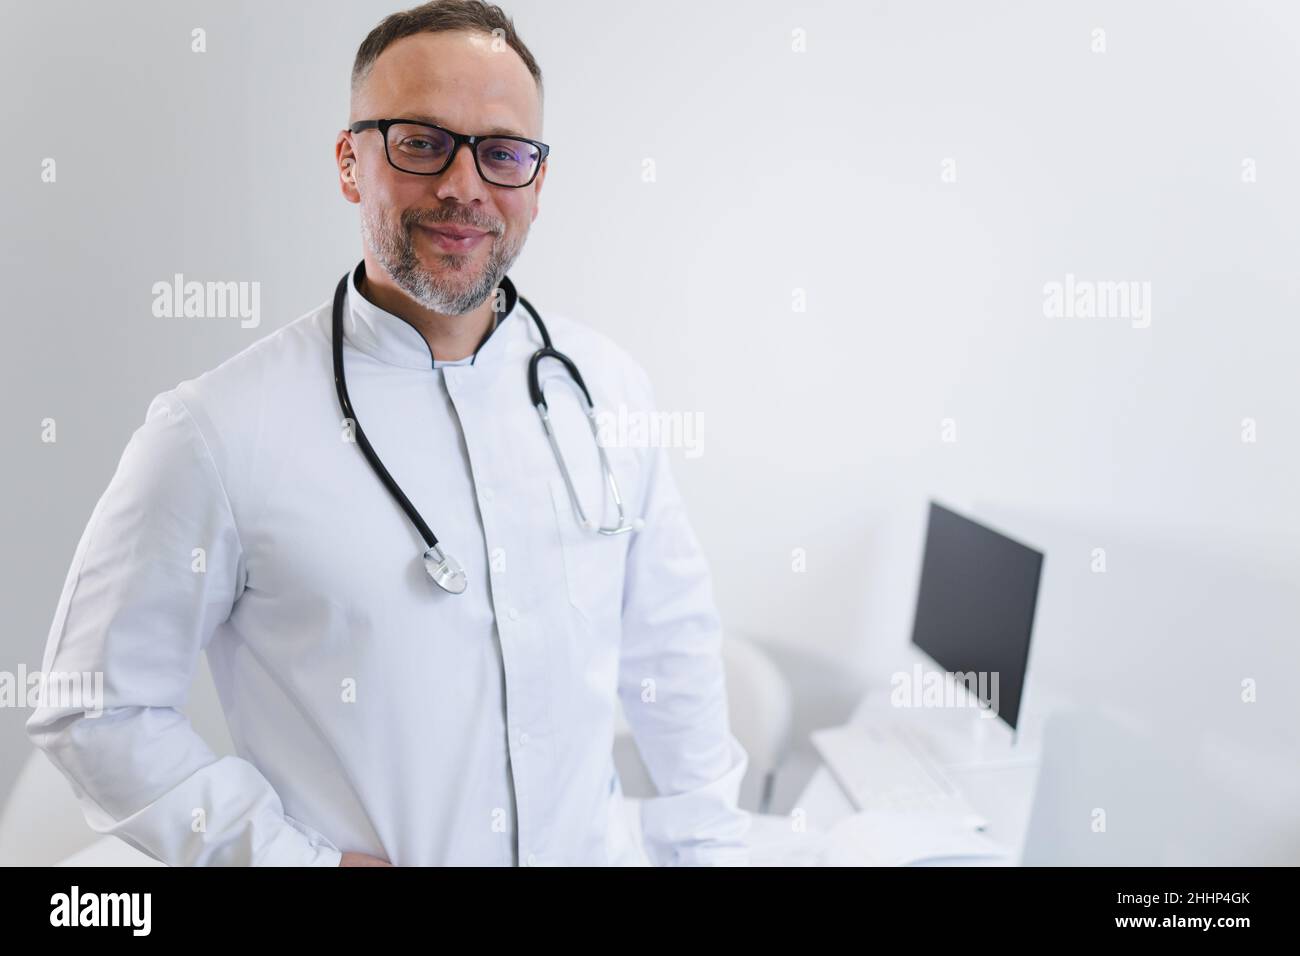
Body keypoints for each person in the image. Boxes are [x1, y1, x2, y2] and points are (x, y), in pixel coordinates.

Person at [26, 0, 750, 866]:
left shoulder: (610, 391)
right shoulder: (216, 433)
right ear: (349, 161)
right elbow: (91, 706)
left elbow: (671, 656)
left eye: (503, 151)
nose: (463, 185)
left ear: (537, 179)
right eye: (420, 142)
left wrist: (711, 852)